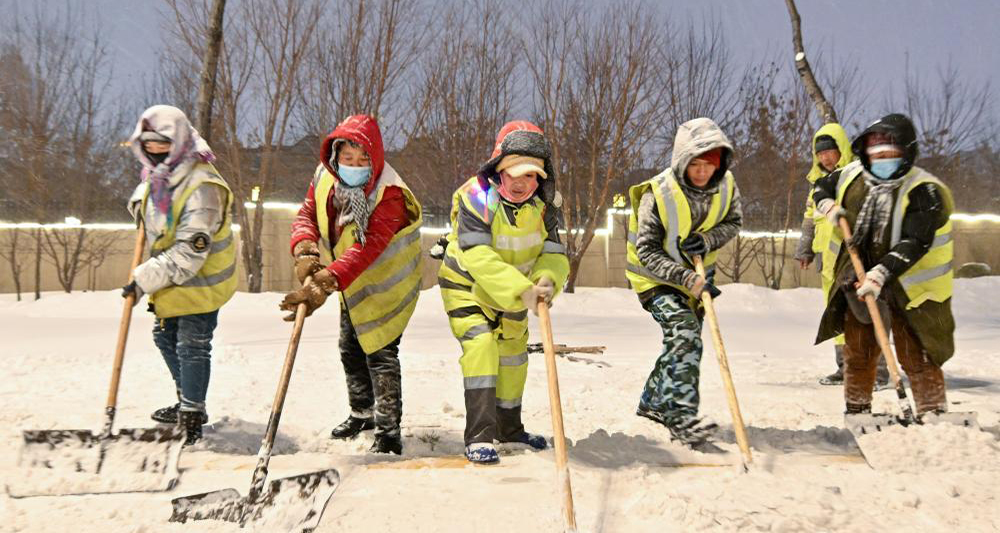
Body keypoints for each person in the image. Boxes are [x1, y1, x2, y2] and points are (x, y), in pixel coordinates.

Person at [281, 114, 422, 455]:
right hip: (352, 284)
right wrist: (305, 250)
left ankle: (388, 432)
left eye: (364, 160)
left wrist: (326, 282)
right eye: (348, 158)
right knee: (350, 348)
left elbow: (367, 247)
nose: (355, 166)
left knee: (381, 353)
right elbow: (306, 215)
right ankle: (362, 413)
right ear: (336, 155)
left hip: (387, 284)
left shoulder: (389, 194)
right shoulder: (325, 179)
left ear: (375, 160)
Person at [437, 121, 569, 464]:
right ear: (499, 169)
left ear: (541, 176)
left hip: (516, 289)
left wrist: (546, 280)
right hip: (467, 287)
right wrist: (521, 290)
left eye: (530, 175)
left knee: (513, 355)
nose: (521, 182)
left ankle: (509, 429)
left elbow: (554, 254)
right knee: (481, 347)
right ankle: (480, 435)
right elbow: (478, 255)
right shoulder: (476, 197)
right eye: (514, 173)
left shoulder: (546, 205)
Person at [812, 113, 954, 417]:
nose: (882, 160)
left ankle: (933, 414)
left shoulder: (924, 190)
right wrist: (827, 204)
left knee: (916, 353)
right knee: (859, 350)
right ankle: (858, 411)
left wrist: (881, 273)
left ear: (906, 153)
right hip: (861, 277)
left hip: (912, 287)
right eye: (876, 155)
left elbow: (916, 241)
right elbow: (822, 184)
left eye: (890, 154)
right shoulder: (853, 175)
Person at [625, 117, 742, 448]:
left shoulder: (726, 185)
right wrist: (686, 278)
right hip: (655, 280)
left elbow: (734, 222)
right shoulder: (658, 194)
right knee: (685, 332)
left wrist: (707, 240)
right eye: (695, 164)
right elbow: (646, 250)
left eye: (709, 164)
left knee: (681, 340)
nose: (702, 172)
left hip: (698, 280)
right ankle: (681, 416)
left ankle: (652, 400)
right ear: (681, 160)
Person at [123, 105, 237, 446]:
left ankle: (191, 413)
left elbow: (190, 252)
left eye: (162, 143)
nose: (154, 149)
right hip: (174, 276)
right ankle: (186, 399)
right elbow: (155, 211)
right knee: (164, 337)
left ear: (180, 141)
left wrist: (143, 279)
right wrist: (139, 206)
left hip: (201, 278)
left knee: (192, 344)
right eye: (148, 143)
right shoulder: (161, 176)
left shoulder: (202, 186)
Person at [794, 124, 889, 388]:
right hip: (828, 261)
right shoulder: (816, 184)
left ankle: (878, 369)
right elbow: (810, 220)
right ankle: (845, 367)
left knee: (865, 311)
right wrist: (805, 249)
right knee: (837, 313)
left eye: (830, 151)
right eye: (820, 153)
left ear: (841, 149)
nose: (825, 157)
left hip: (854, 256)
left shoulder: (854, 177)